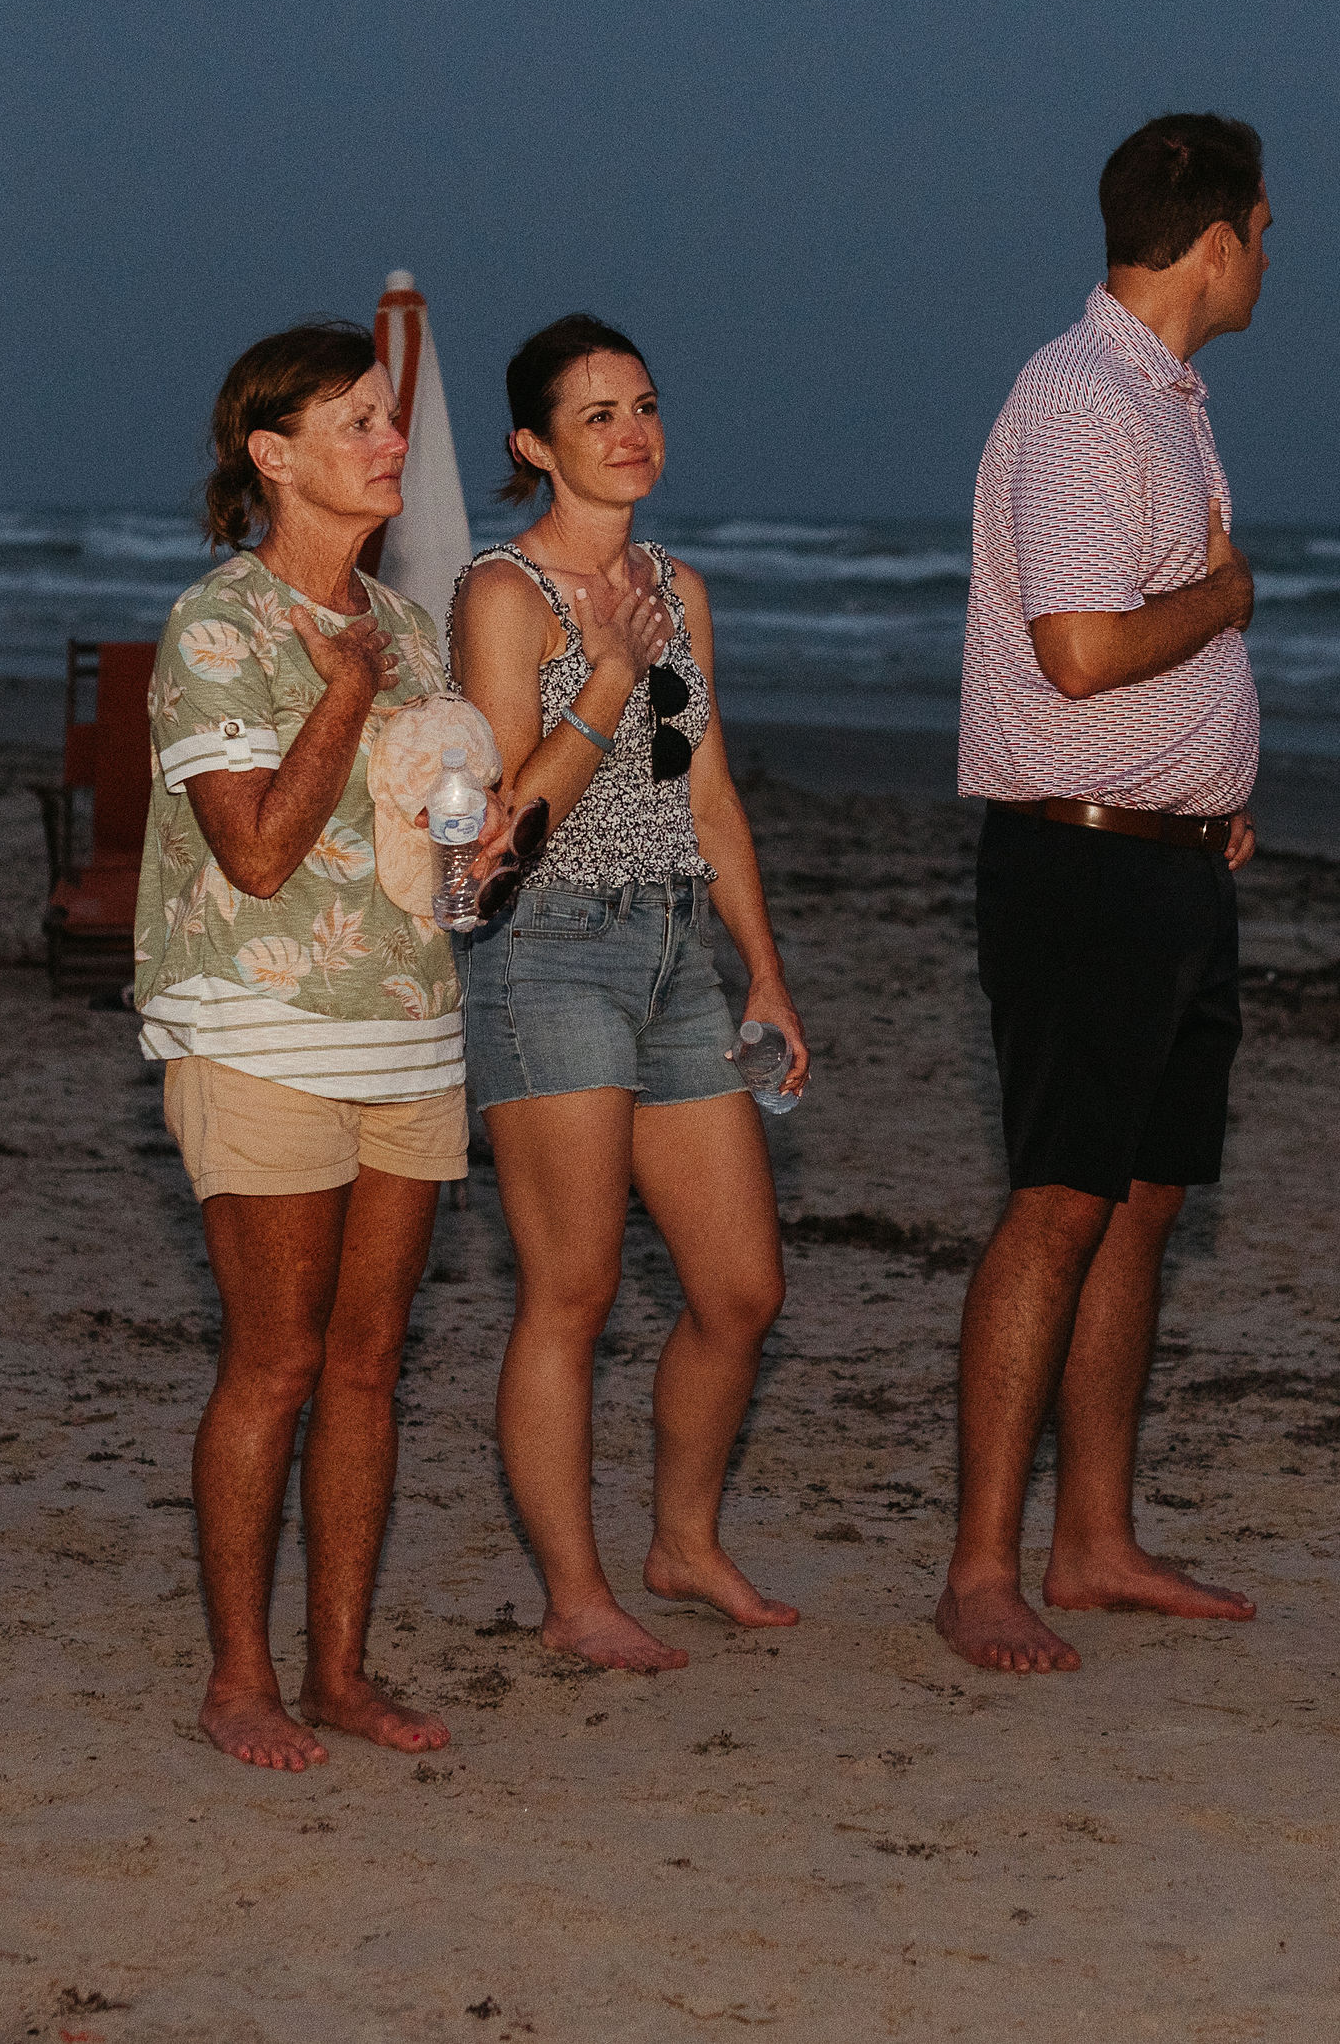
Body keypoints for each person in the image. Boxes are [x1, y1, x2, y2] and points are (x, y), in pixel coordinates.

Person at [940, 113, 1271, 1676]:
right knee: (1059, 1204)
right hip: (1078, 860)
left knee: (1143, 1206)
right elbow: (1079, 647)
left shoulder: (1168, 404)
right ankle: (984, 1564)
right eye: (1265, 233)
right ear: (1220, 238)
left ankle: (1096, 1541)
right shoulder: (1081, 400)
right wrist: (1223, 601)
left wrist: (1212, 788)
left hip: (1170, 858)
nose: (1271, 261)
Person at [447, 313, 812, 1672]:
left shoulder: (679, 587)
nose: (631, 430)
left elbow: (703, 796)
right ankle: (575, 1593)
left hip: (670, 956)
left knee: (739, 1290)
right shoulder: (505, 595)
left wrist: (762, 971)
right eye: (596, 414)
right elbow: (500, 829)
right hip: (546, 950)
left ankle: (685, 1541)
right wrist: (604, 670)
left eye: (644, 403)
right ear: (534, 446)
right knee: (574, 1292)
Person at [139, 320, 465, 1770]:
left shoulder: (410, 629)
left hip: (409, 1022)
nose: (389, 441)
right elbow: (261, 855)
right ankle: (238, 1680)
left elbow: (421, 843)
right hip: (259, 1025)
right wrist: (339, 697)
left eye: (389, 417)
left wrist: (481, 841)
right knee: (274, 1360)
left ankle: (340, 1669)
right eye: (355, 421)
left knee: (372, 1361)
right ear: (274, 457)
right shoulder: (217, 624)